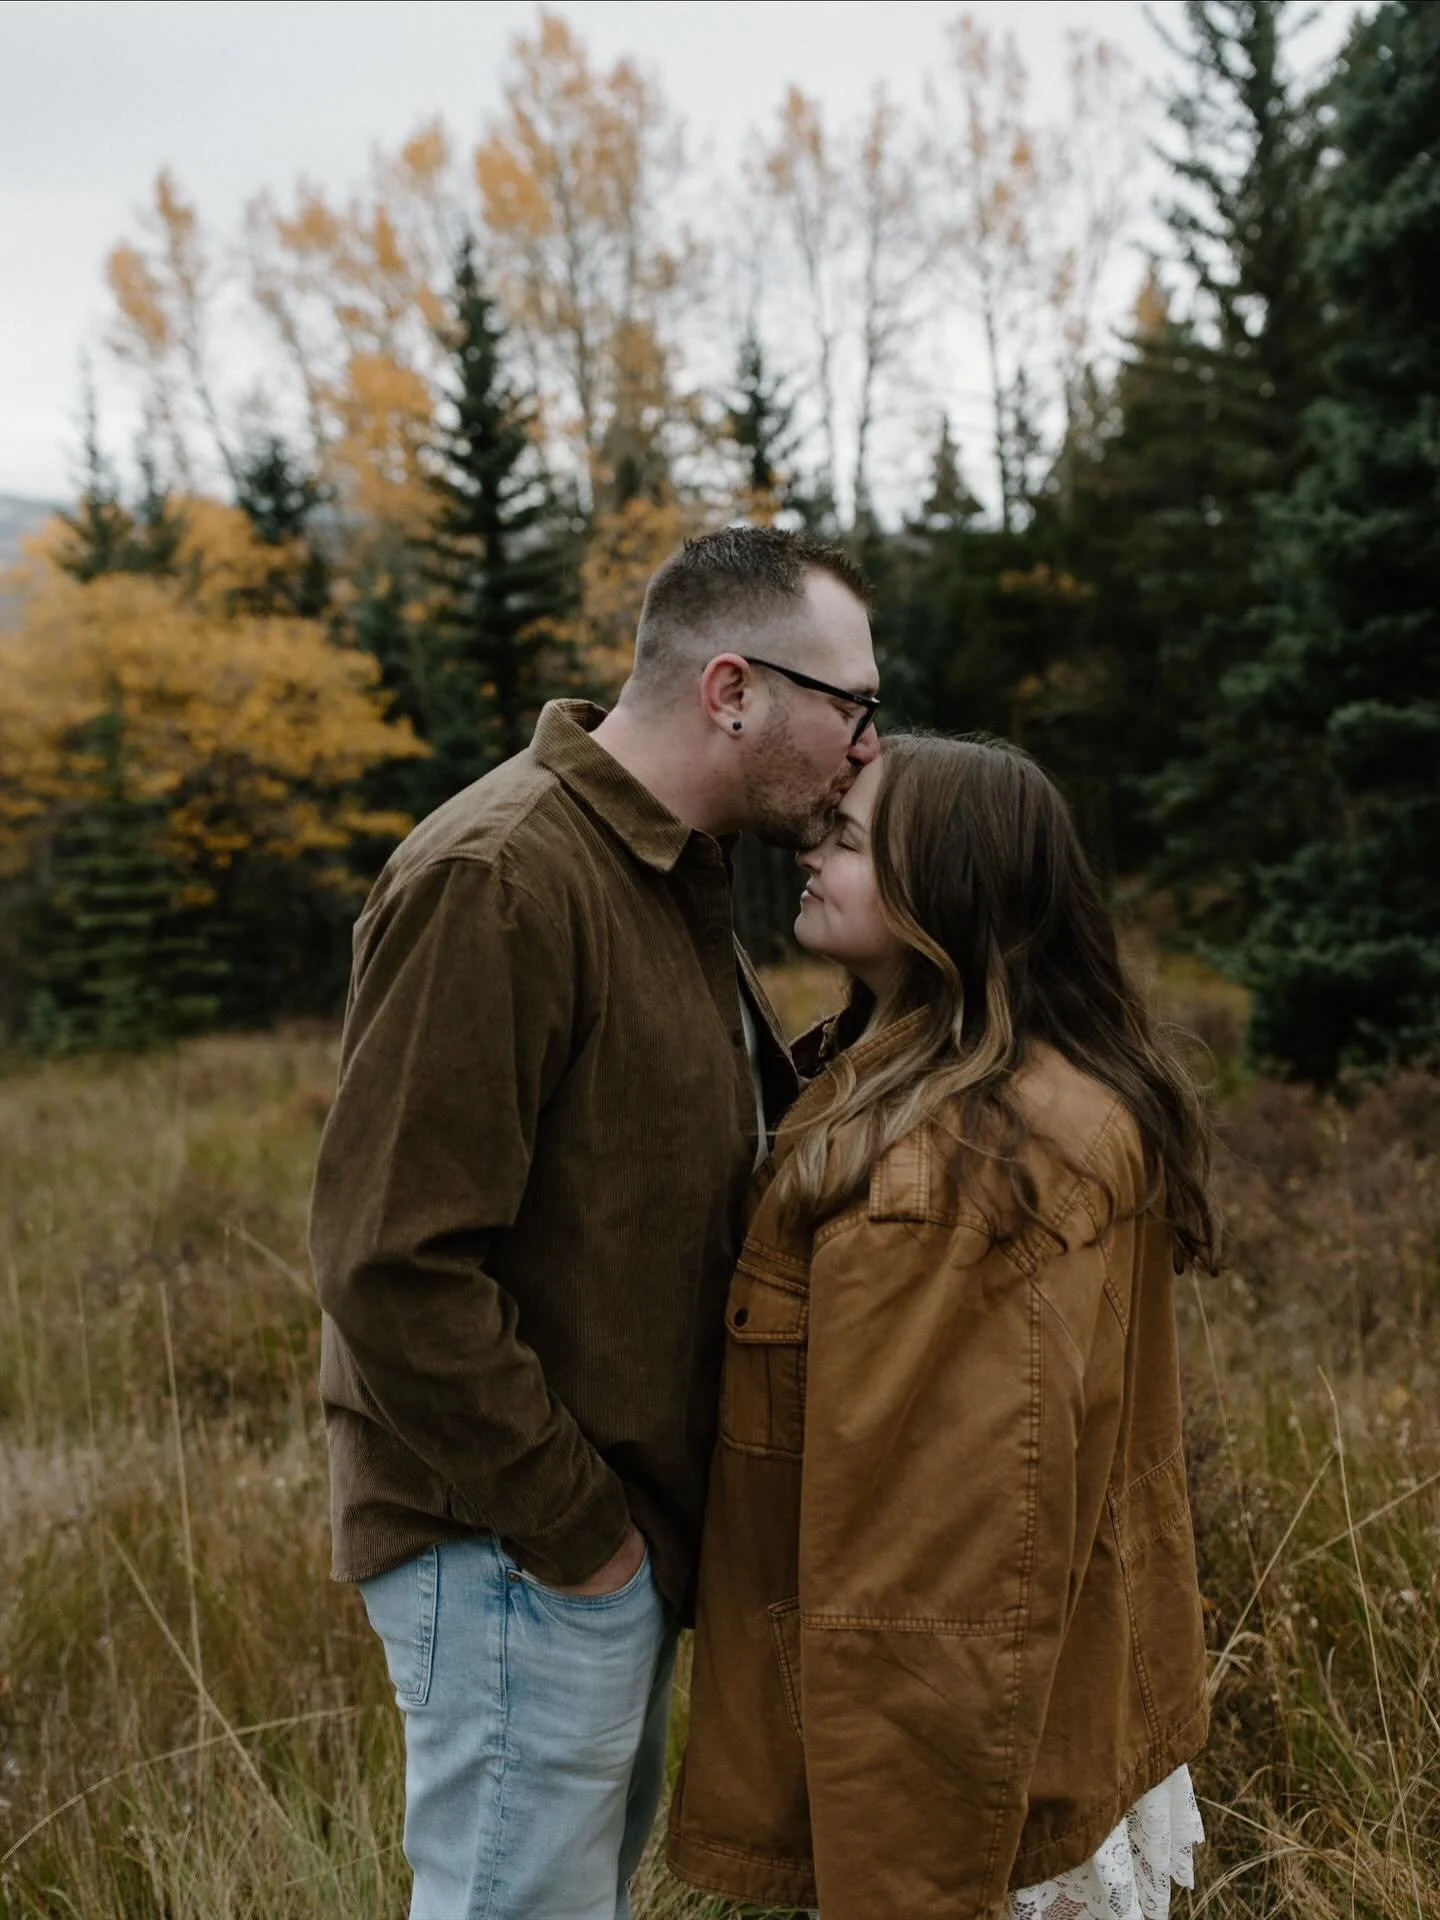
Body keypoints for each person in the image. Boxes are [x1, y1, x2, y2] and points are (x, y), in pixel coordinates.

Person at [308, 525, 881, 1920]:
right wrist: (584, 1540)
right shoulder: (500, 875)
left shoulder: (667, 870)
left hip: (587, 1552)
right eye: (853, 706)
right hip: (516, 1547)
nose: (868, 747)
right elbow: (390, 1263)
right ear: (734, 691)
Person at [669, 733, 1222, 1920]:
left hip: (953, 1804)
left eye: (850, 839)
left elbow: (929, 1592)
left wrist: (901, 1889)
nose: (807, 852)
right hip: (1044, 1735)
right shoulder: (1022, 1091)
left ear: (948, 895)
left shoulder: (955, 1176)